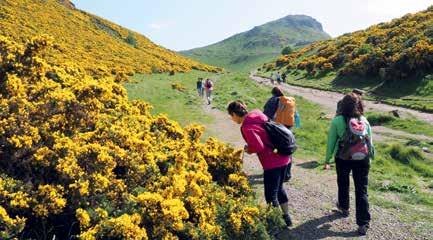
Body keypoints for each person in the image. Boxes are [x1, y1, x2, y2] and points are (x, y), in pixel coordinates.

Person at [227, 101, 293, 227]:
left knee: (270, 195)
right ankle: (286, 216)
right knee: (279, 189)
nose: (232, 119)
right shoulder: (257, 113)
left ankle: (275, 222)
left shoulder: (246, 126)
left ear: (235, 114)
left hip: (272, 162)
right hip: (284, 155)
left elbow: (258, 146)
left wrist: (248, 149)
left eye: (231, 116)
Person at [324, 93, 374, 236]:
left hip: (343, 158)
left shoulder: (337, 120)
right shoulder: (364, 120)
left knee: (343, 182)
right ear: (359, 105)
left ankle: (344, 207)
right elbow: (370, 140)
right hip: (362, 159)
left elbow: (331, 142)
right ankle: (363, 223)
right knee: (362, 190)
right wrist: (370, 156)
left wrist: (327, 159)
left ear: (342, 105)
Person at [263, 87, 297, 182]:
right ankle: (287, 174)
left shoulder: (273, 100)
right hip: (288, 128)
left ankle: (277, 172)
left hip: (277, 127)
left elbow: (266, 115)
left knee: (276, 149)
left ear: (273, 93)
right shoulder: (289, 100)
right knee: (287, 148)